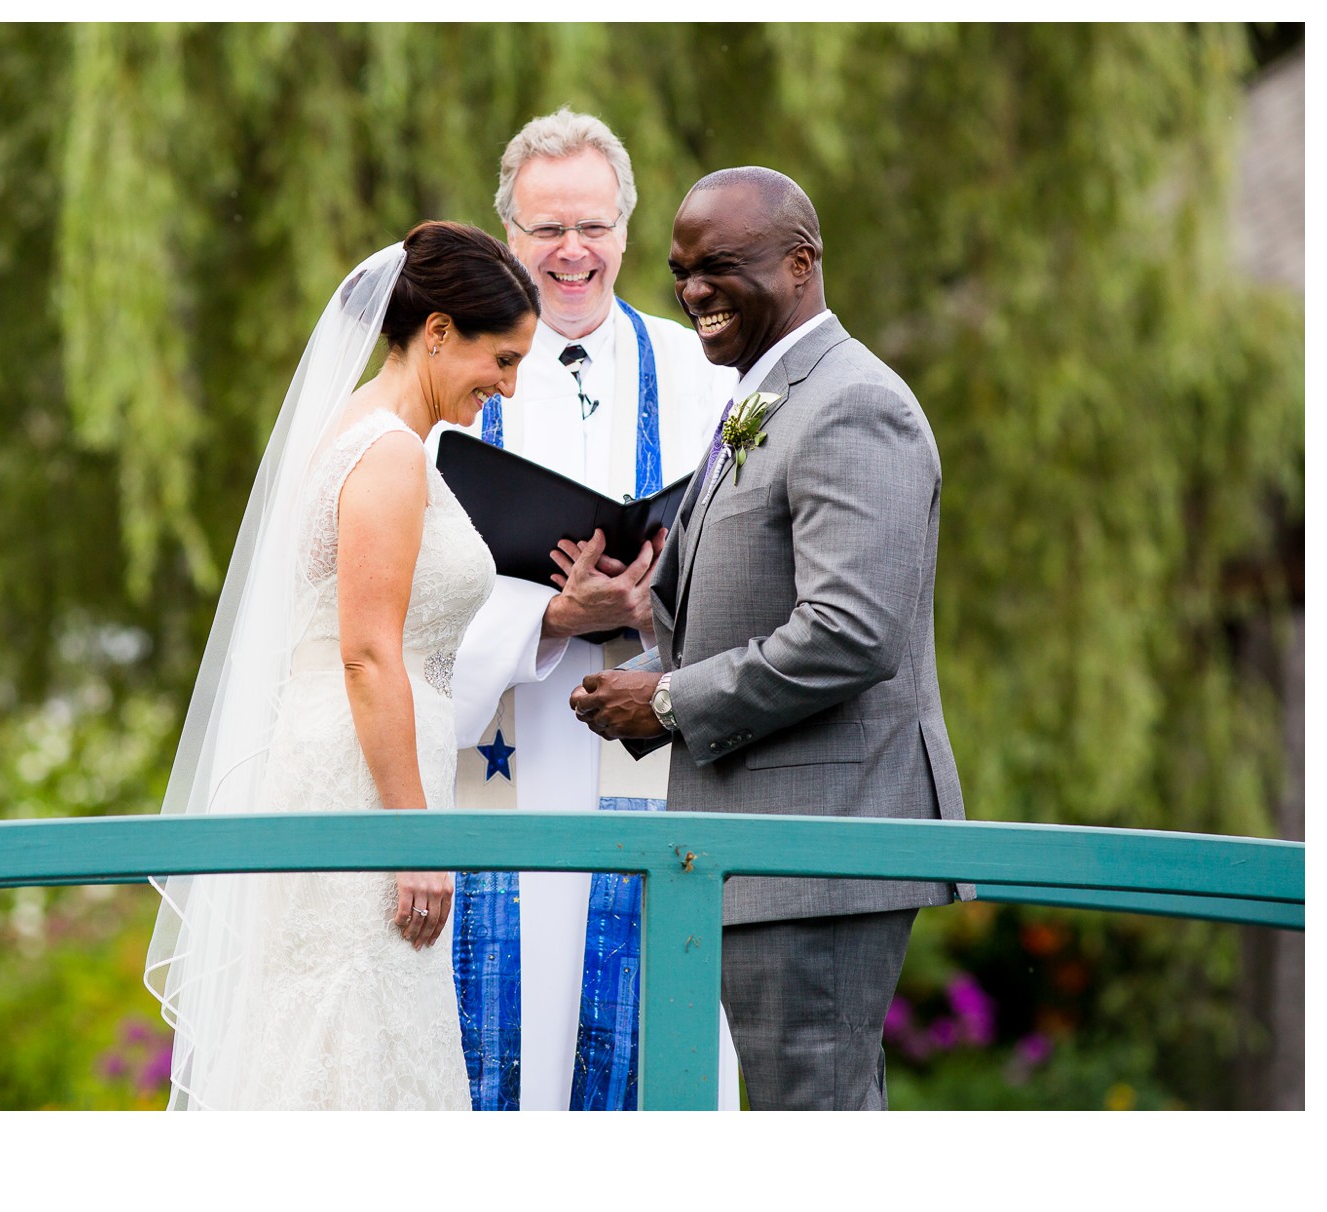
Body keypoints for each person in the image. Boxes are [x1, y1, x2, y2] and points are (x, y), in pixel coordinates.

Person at [570, 167, 972, 1110]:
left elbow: (849, 633)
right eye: (680, 271)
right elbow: (755, 607)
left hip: (820, 851)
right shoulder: (765, 395)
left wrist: (668, 701)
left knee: (812, 1123)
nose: (694, 291)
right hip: (762, 848)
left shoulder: (853, 405)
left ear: (799, 265)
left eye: (719, 267)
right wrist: (647, 651)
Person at [144, 223, 539, 1110]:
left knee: (345, 1028)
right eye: (502, 359)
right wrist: (414, 836)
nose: (506, 387)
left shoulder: (360, 428)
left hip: (350, 763)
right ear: (437, 331)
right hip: (364, 785)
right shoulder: (391, 454)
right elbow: (367, 655)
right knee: (352, 1023)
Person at [439, 109, 738, 1111]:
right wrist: (547, 621)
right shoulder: (459, 383)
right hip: (503, 746)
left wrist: (652, 602)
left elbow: (756, 574)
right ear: (506, 235)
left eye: (593, 227)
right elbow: (408, 593)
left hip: (652, 755)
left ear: (626, 228)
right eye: (544, 229)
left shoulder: (704, 379)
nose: (570, 253)